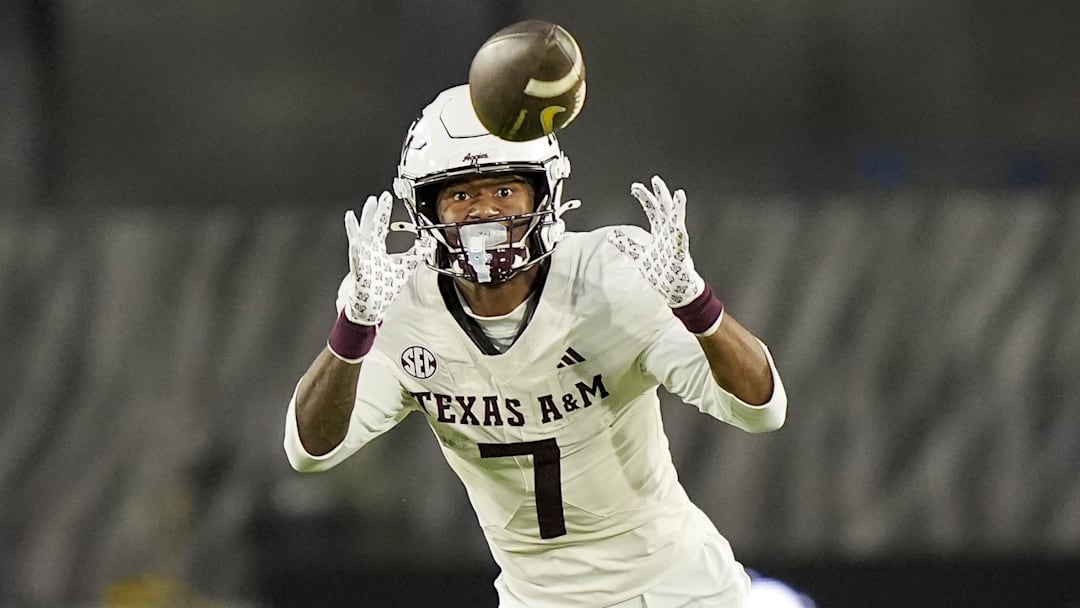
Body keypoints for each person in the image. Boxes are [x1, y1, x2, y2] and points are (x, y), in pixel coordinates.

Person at [283, 83, 788, 608]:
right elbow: (310, 451)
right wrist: (354, 328)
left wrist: (694, 302)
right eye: (460, 194)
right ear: (425, 207)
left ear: (543, 197)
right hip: (539, 597)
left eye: (504, 191)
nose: (483, 212)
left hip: (678, 585)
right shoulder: (400, 305)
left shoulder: (610, 274)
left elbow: (761, 409)